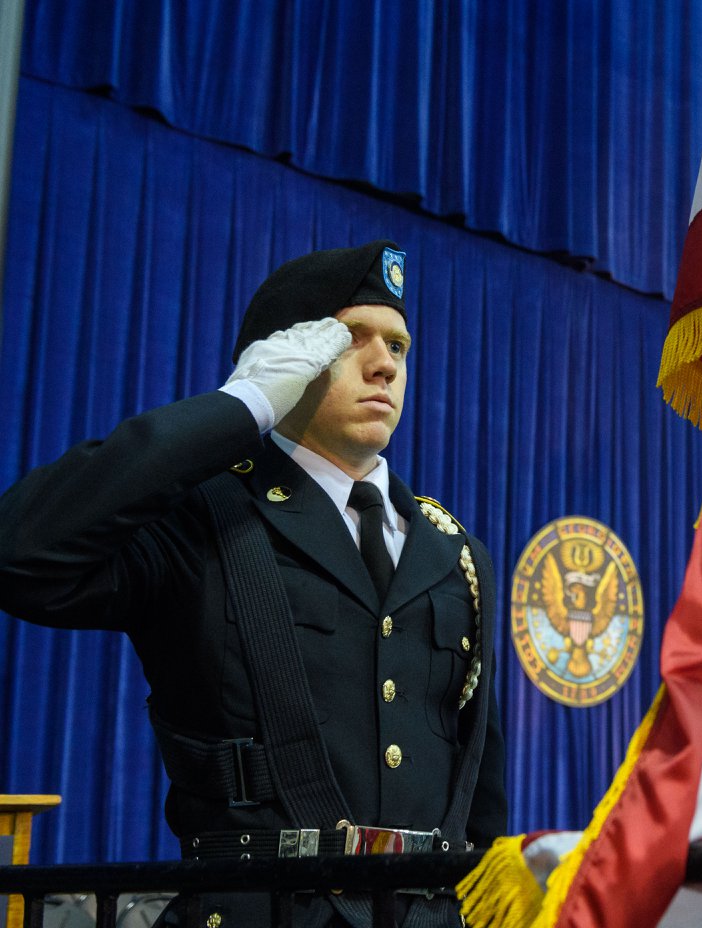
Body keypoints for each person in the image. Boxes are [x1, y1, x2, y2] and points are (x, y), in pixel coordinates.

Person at [0, 241, 505, 928]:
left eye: (399, 345)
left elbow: (479, 794)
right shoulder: (200, 520)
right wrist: (238, 411)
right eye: (352, 339)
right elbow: (21, 555)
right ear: (285, 357)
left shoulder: (456, 554)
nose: (385, 363)